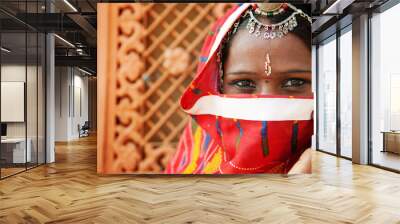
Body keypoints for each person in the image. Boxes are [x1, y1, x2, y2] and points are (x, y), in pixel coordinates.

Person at [165, 3, 313, 174]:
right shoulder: (193, 165)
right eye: (244, 84)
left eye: (294, 83)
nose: (266, 109)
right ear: (218, 88)